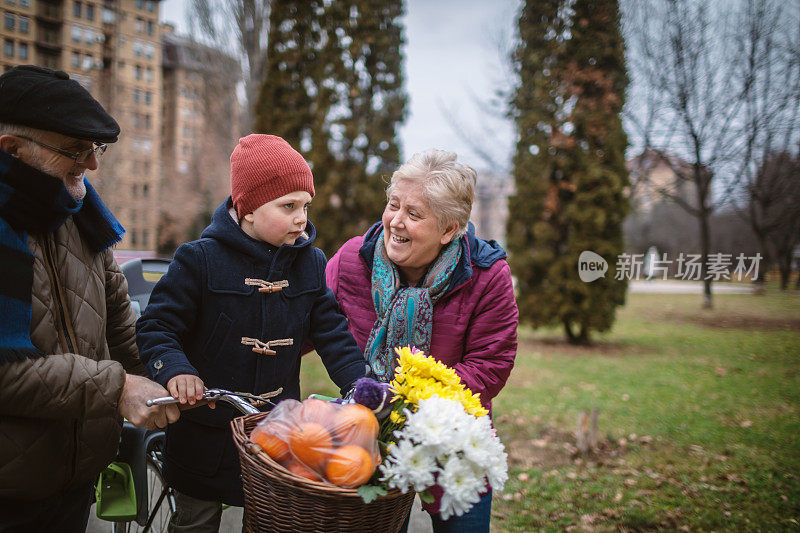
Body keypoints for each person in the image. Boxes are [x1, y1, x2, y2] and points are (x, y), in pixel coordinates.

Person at [136, 134, 369, 531]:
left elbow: (333, 334)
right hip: (204, 430)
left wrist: (363, 386)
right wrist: (175, 370)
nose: (301, 218)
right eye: (288, 206)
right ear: (246, 209)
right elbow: (157, 326)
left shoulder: (309, 264)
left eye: (305, 206)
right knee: (196, 520)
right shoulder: (200, 259)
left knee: (271, 520)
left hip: (276, 430)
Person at [0, 65, 180, 532]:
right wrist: (117, 388)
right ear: (12, 150)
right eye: (76, 150)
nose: (93, 165)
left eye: (95, 148)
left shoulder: (80, 215)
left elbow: (122, 328)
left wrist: (173, 372)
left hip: (76, 480)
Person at [325, 149, 518, 532]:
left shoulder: (487, 275)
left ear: (449, 230)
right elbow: (307, 324)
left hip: (452, 435)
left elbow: (490, 365)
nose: (395, 221)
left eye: (414, 214)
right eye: (393, 204)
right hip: (368, 432)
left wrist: (407, 406)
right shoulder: (351, 260)